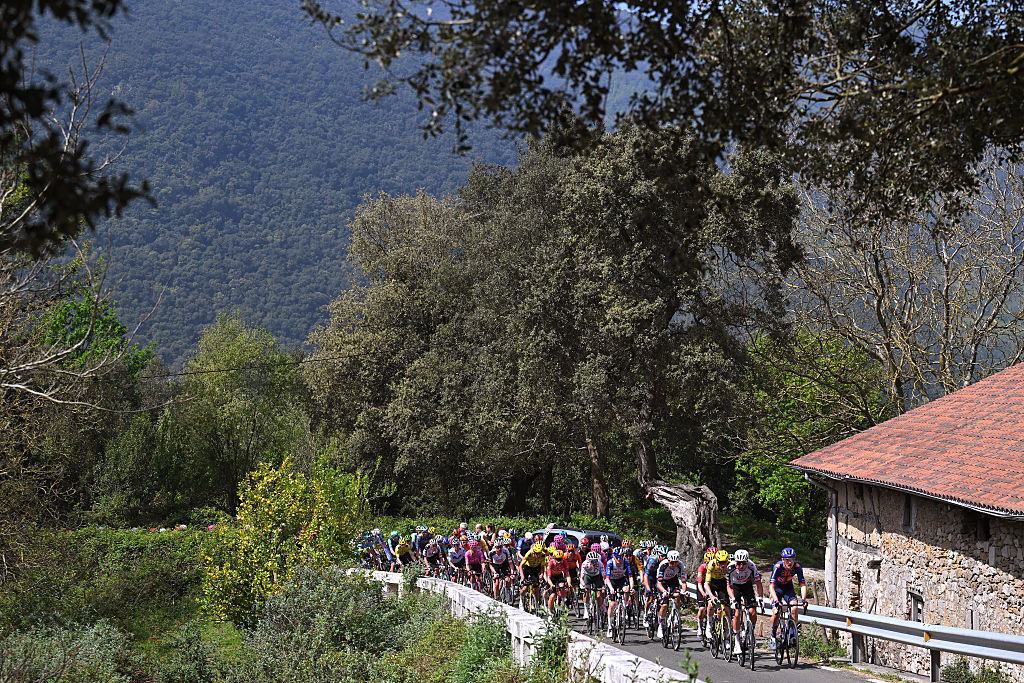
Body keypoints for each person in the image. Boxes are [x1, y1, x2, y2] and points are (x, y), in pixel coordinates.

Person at [726, 549, 764, 654]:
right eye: (739, 563)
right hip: (735, 587)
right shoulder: (730, 567)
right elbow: (728, 587)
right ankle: (737, 642)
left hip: (747, 586)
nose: (741, 566)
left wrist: (761, 598)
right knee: (737, 614)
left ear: (747, 562)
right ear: (735, 562)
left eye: (744, 564)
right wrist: (733, 599)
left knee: (753, 612)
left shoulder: (752, 566)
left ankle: (749, 633)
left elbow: (758, 583)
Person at [769, 547, 808, 650]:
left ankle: (791, 634)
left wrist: (804, 599)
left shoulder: (797, 567)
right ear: (783, 560)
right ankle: (773, 635)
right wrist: (776, 601)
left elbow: (802, 585)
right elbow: (771, 587)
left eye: (792, 559)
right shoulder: (778, 567)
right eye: (787, 559)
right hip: (776, 589)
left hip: (788, 588)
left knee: (794, 608)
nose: (790, 562)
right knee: (776, 611)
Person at [604, 548, 635, 638]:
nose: (619, 559)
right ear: (614, 556)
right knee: (612, 605)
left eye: (621, 557)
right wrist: (611, 589)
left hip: (621, 580)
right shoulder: (610, 563)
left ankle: (624, 606)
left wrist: (632, 588)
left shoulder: (626, 563)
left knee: (626, 589)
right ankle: (610, 626)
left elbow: (630, 577)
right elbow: (607, 579)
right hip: (612, 581)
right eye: (617, 557)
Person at [655, 549, 686, 639]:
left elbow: (683, 581)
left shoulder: (680, 565)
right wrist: (664, 592)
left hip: (673, 580)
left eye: (675, 563)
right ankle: (660, 626)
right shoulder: (663, 565)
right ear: (668, 561)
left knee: (677, 596)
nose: (673, 565)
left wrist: (684, 591)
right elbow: (659, 584)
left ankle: (676, 615)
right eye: (671, 563)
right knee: (664, 605)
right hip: (663, 582)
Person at [695, 546, 717, 639]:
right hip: (702, 585)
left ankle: (710, 622)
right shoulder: (702, 567)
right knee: (702, 609)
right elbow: (700, 584)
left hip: (711, 584)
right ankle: (700, 627)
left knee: (711, 604)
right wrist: (703, 593)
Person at [519, 541, 548, 610]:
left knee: (536, 588)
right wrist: (522, 577)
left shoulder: (543, 555)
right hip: (527, 568)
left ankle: (536, 603)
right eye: (537, 554)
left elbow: (542, 566)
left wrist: (541, 575)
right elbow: (521, 566)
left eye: (539, 554)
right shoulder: (529, 554)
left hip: (535, 568)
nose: (538, 556)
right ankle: (521, 601)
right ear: (534, 552)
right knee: (525, 588)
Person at [579, 550, 605, 619]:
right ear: (589, 561)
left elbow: (604, 577)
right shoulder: (585, 564)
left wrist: (604, 586)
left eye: (595, 561)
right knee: (586, 591)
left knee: (599, 594)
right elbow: (581, 578)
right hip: (587, 576)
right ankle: (586, 610)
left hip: (596, 576)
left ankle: (599, 610)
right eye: (592, 561)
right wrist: (584, 586)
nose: (594, 563)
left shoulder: (600, 564)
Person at [545, 548, 569, 613]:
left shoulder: (564, 562)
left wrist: (569, 584)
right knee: (552, 596)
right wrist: (551, 585)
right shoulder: (550, 563)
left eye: (560, 559)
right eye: (557, 559)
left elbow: (567, 575)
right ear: (554, 558)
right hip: (552, 577)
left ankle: (563, 600)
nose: (559, 561)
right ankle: (550, 612)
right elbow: (548, 577)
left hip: (559, 575)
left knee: (562, 585)